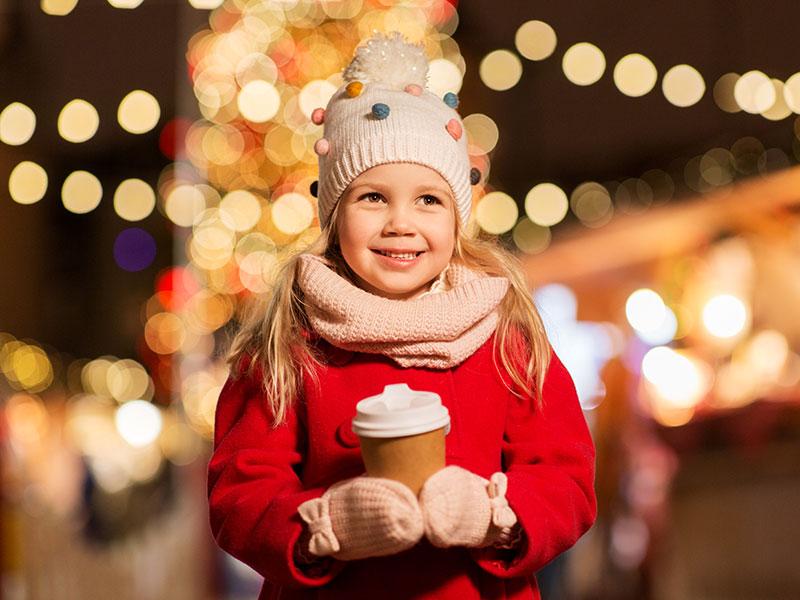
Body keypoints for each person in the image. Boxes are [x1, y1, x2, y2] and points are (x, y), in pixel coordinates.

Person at [207, 32, 597, 600]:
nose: (400, 223)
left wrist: (495, 513)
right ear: (335, 215)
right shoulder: (288, 347)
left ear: (457, 216)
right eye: (372, 197)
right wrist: (326, 525)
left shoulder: (505, 341)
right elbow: (239, 493)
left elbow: (566, 478)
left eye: (428, 200)